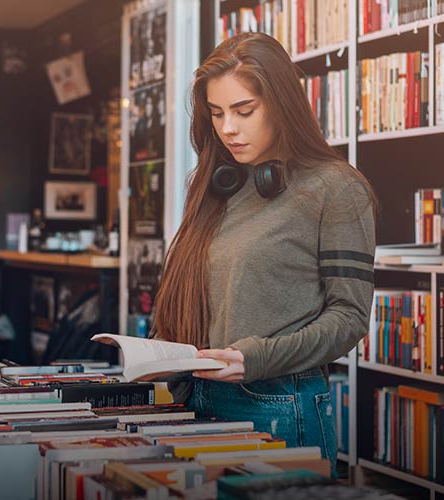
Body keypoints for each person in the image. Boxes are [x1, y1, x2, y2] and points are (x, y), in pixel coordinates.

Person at [152, 32, 376, 460]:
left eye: (244, 110)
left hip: (276, 405)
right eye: (217, 114)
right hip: (194, 400)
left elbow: (349, 318)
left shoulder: (336, 187)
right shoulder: (217, 186)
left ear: (281, 105)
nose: (228, 128)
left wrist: (253, 359)